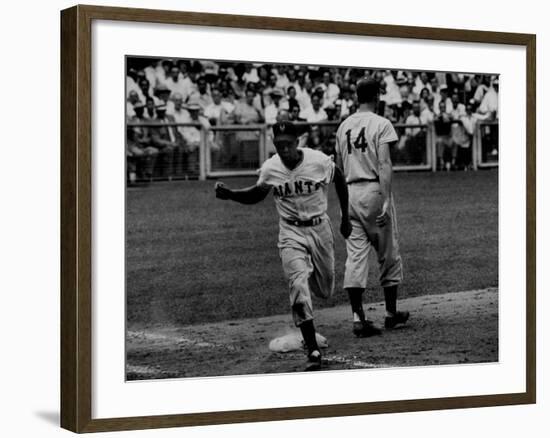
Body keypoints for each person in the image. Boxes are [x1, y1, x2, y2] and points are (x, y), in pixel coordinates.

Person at [215, 121, 352, 370]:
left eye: (288, 144)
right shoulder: (271, 167)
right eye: (279, 145)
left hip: (320, 228)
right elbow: (258, 193)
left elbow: (340, 177)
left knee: (325, 290)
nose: (284, 149)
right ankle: (312, 350)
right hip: (290, 232)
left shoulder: (317, 160)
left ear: (297, 142)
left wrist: (346, 216)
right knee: (297, 285)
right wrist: (232, 194)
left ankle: (307, 275)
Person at [335, 78, 409, 337]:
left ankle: (358, 318)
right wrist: (386, 200)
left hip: (350, 192)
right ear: (376, 97)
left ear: (357, 96)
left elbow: (338, 171)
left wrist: (344, 209)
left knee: (355, 258)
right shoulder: (381, 123)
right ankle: (390, 314)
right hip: (374, 192)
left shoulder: (343, 126)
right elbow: (384, 164)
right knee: (388, 253)